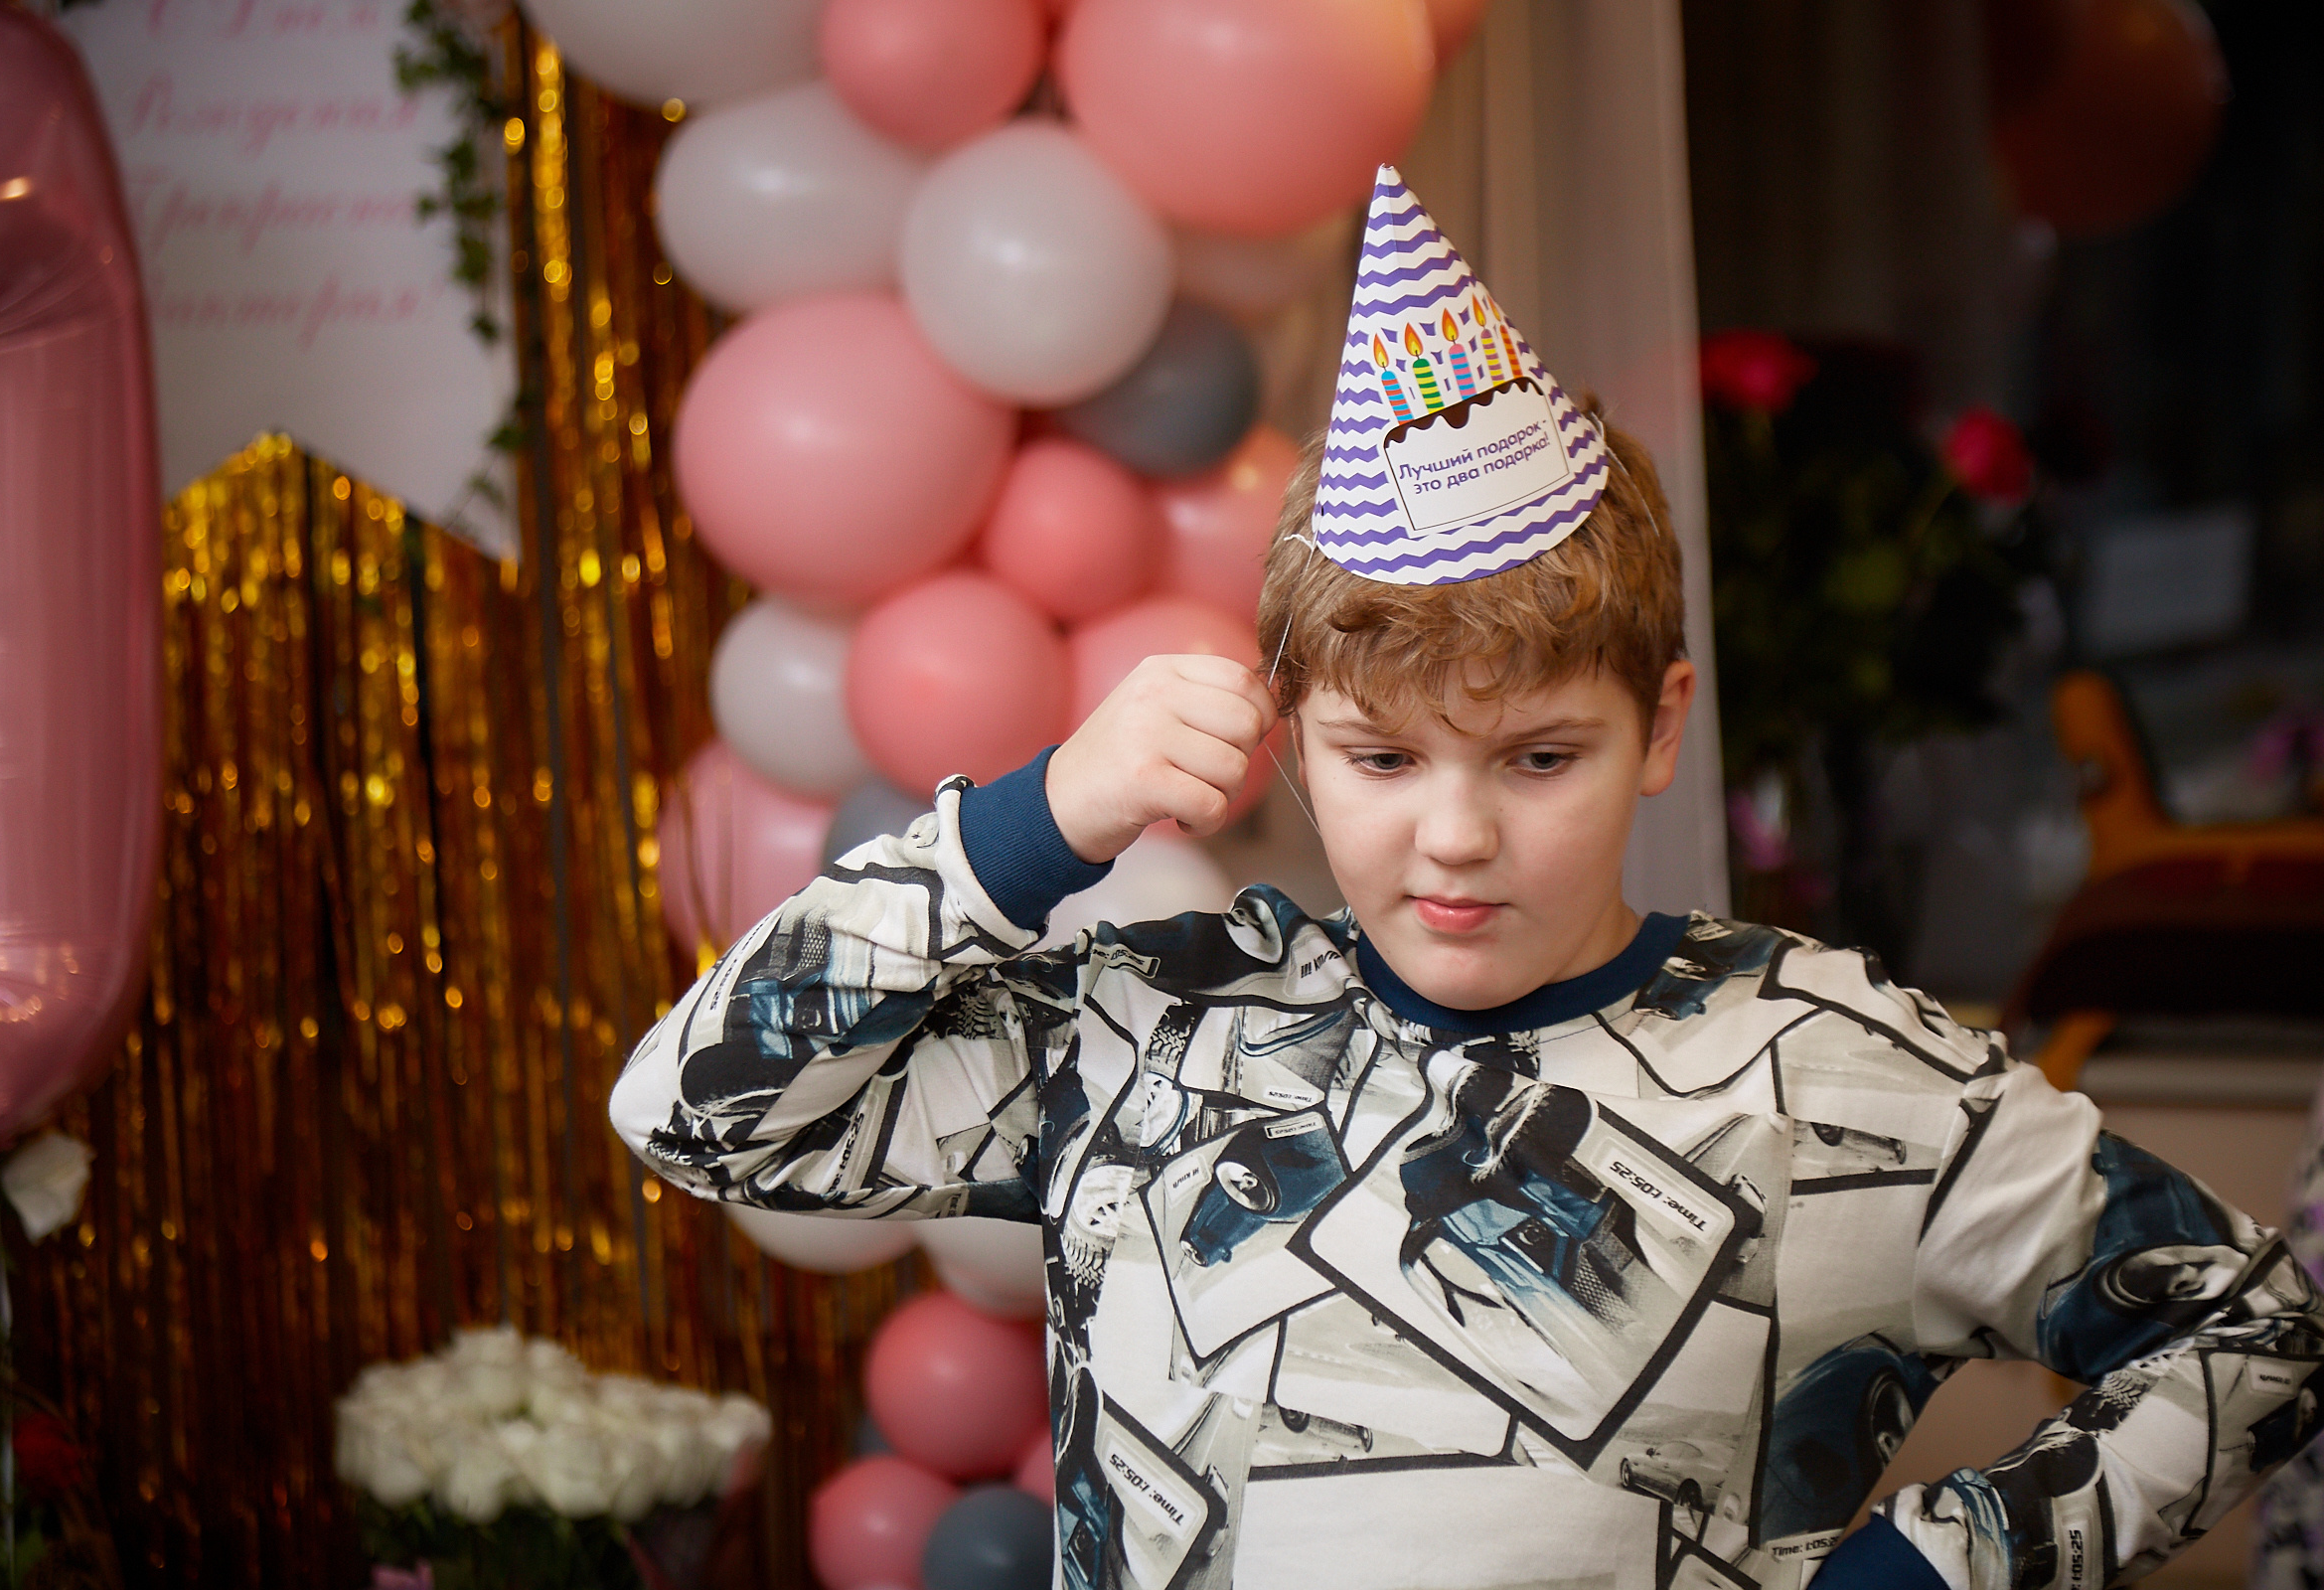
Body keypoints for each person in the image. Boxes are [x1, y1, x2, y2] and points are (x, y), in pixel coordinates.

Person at [610, 169, 2324, 1589]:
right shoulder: (1160, 1029)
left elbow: (2252, 1336)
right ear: (1293, 738)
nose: (1454, 835)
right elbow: (696, 1113)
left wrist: (1934, 1575)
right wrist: (1037, 817)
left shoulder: (1829, 1060)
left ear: (1660, 729)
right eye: (1383, 759)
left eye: (1538, 759)